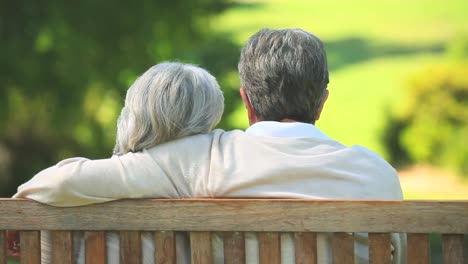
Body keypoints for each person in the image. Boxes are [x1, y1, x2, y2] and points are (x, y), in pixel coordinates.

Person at [13, 28, 406, 263]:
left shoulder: (202, 158)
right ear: (322, 101)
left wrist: (21, 202)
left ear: (247, 101)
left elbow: (63, 184)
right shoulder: (377, 175)